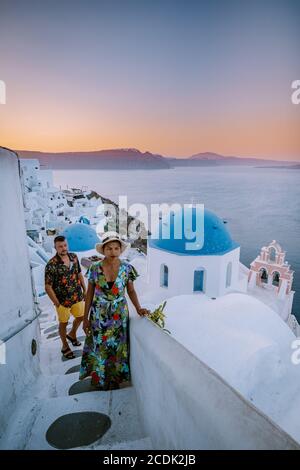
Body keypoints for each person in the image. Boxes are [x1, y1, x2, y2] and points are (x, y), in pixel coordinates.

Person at [79, 231, 150, 390]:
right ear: (103, 250)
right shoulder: (95, 268)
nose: (113, 252)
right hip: (99, 315)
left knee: (117, 349)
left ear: (120, 250)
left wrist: (138, 308)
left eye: (116, 248)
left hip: (119, 316)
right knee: (100, 348)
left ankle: (115, 380)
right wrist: (85, 318)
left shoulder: (126, 268)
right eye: (109, 248)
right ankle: (101, 379)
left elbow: (131, 291)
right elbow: (89, 293)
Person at [45, 235, 86, 359]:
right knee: (63, 323)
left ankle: (72, 334)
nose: (63, 248)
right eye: (60, 246)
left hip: (77, 296)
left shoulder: (74, 257)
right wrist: (57, 303)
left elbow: (79, 273)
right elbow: (47, 286)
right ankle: (64, 346)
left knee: (81, 317)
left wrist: (85, 289)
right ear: (55, 248)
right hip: (62, 301)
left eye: (65, 245)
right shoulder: (51, 264)